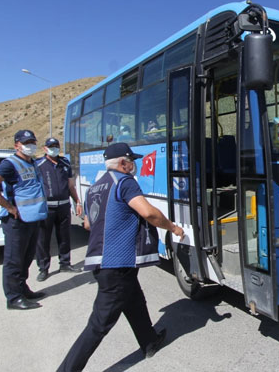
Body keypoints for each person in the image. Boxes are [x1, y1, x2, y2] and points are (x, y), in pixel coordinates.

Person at [59, 142, 185, 371]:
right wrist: (173, 228)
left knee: (135, 301)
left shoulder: (96, 186)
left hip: (104, 261)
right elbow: (148, 213)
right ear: (123, 163)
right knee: (98, 325)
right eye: (132, 161)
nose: (134, 165)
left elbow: (88, 223)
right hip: (115, 264)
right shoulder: (125, 182)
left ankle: (149, 341)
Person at [0, 130, 48, 310]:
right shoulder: (10, 164)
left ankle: (23, 289)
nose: (30, 145)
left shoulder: (33, 163)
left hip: (32, 218)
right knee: (14, 260)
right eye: (26, 142)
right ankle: (13, 298)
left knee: (27, 257)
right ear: (16, 145)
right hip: (16, 221)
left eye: (33, 141)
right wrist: (9, 207)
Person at [35, 137, 83, 282]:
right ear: (45, 148)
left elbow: (70, 185)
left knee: (64, 237)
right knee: (43, 239)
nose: (54, 148)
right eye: (51, 146)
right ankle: (43, 268)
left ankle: (65, 264)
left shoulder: (65, 163)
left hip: (63, 206)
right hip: (46, 208)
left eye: (56, 146)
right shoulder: (38, 164)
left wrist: (78, 202)